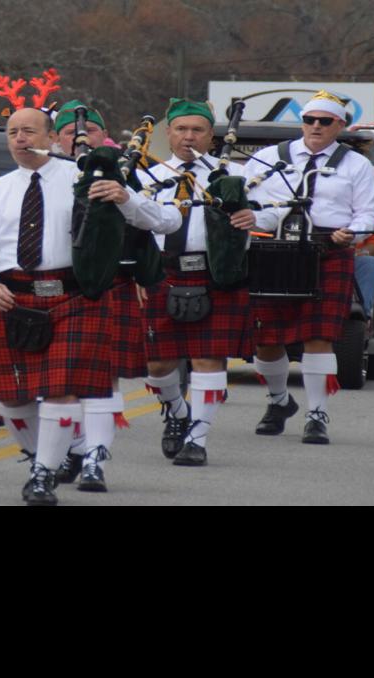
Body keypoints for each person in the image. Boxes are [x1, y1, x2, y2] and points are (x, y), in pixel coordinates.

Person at [0, 105, 175, 505]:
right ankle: (44, 456)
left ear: (53, 138)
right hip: (14, 297)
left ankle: (42, 475)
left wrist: (125, 198)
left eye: (30, 131)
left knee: (61, 393)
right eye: (14, 132)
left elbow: (162, 222)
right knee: (12, 399)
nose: (21, 139)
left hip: (74, 296)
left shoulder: (86, 179)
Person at [243, 91, 374, 445]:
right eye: (309, 120)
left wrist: (351, 232)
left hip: (328, 250)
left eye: (325, 121)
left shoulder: (355, 164)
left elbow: (369, 212)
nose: (316, 126)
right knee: (266, 339)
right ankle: (278, 402)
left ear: (340, 125)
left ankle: (316, 414)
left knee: (318, 338)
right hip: (271, 249)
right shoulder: (268, 158)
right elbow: (246, 200)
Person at [139, 97, 260, 468]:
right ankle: (177, 410)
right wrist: (137, 272)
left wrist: (254, 218)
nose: (188, 136)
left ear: (211, 135)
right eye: (180, 129)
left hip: (214, 274)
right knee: (158, 365)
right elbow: (133, 228)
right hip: (162, 271)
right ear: (169, 134)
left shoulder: (230, 177)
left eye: (197, 130)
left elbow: (268, 211)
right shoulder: (148, 177)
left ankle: (197, 438)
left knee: (209, 358)